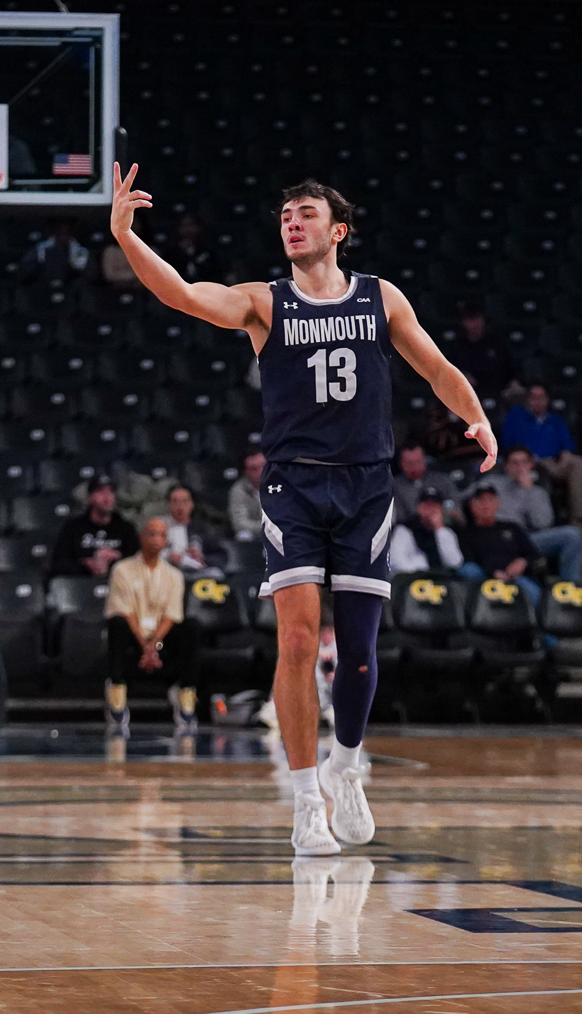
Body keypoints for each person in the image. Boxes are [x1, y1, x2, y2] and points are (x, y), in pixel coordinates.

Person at [108, 164, 498, 857]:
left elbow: (437, 368)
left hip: (368, 488)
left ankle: (346, 767)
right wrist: (127, 236)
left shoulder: (381, 299)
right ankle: (304, 802)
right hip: (293, 486)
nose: (293, 222)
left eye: (308, 214)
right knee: (295, 641)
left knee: (357, 650)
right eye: (286, 215)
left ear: (338, 230)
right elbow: (185, 295)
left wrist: (476, 418)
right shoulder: (265, 302)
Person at [102, 516, 200, 737]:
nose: (157, 539)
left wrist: (154, 643)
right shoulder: (122, 569)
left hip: (160, 638)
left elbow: (172, 615)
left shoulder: (174, 575)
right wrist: (146, 646)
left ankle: (185, 692)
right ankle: (116, 692)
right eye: (152, 534)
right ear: (141, 537)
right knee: (116, 623)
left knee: (191, 626)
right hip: (133, 636)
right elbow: (124, 611)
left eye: (162, 535)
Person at [488, 447, 582, 583]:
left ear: (531, 465)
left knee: (572, 535)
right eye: (514, 463)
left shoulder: (537, 492)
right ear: (506, 466)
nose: (519, 467)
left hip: (523, 540)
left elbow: (543, 523)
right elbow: (463, 500)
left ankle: (569, 587)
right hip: (492, 536)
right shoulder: (493, 483)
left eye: (524, 462)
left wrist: (529, 491)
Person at [496, 382, 582, 524]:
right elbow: (507, 445)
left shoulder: (555, 421)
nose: (537, 401)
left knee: (577, 462)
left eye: (541, 397)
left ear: (547, 400)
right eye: (533, 397)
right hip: (527, 462)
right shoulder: (516, 417)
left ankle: (578, 519)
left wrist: (566, 453)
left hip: (552, 463)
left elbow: (568, 444)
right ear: (528, 400)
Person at [456, 483, 542, 605]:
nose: (486, 504)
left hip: (515, 578)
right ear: (472, 505)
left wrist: (523, 562)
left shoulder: (512, 527)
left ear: (497, 504)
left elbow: (535, 554)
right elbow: (467, 559)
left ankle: (540, 623)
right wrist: (493, 573)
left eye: (491, 500)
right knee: (468, 570)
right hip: (484, 579)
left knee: (532, 590)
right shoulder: (464, 533)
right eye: (481, 500)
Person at [49, 475, 141, 579]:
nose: (107, 497)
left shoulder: (126, 528)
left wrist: (117, 558)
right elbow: (58, 564)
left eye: (110, 491)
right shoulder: (73, 527)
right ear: (90, 498)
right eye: (100, 491)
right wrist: (86, 564)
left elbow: (139, 564)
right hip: (81, 586)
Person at [388, 485, 465, 573]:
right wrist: (424, 566)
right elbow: (396, 562)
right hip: (414, 578)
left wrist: (439, 529)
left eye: (434, 506)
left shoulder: (445, 531)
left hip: (443, 580)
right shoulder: (404, 530)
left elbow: (455, 562)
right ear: (419, 508)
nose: (430, 510)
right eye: (426, 505)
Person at [447, 303, 516, 400]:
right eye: (470, 320)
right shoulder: (457, 346)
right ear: (464, 323)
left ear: (483, 320)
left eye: (476, 319)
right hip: (467, 393)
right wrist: (462, 376)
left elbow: (509, 367)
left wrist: (512, 381)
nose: (474, 324)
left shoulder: (497, 342)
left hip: (499, 391)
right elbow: (450, 369)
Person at [162, 484, 227, 573]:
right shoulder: (159, 527)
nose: (180, 506)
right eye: (175, 501)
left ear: (192, 504)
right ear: (168, 505)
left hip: (197, 573)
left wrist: (202, 558)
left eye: (185, 501)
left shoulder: (204, 528)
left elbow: (220, 557)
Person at [15, 217, 89, 285]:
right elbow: (23, 272)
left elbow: (91, 275)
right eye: (60, 229)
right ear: (53, 230)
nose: (63, 233)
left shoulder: (81, 250)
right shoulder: (39, 249)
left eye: (67, 231)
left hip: (70, 288)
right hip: (43, 287)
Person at [228, 450, 265, 543]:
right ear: (245, 472)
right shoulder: (238, 490)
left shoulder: (282, 484)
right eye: (254, 469)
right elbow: (240, 523)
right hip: (258, 533)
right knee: (243, 535)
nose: (261, 473)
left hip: (283, 531)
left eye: (263, 466)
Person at [391, 444, 431, 521]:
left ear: (425, 460)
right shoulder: (393, 487)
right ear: (401, 464)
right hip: (407, 529)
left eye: (418, 462)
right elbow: (396, 517)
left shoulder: (441, 481)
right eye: (409, 463)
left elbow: (456, 511)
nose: (414, 467)